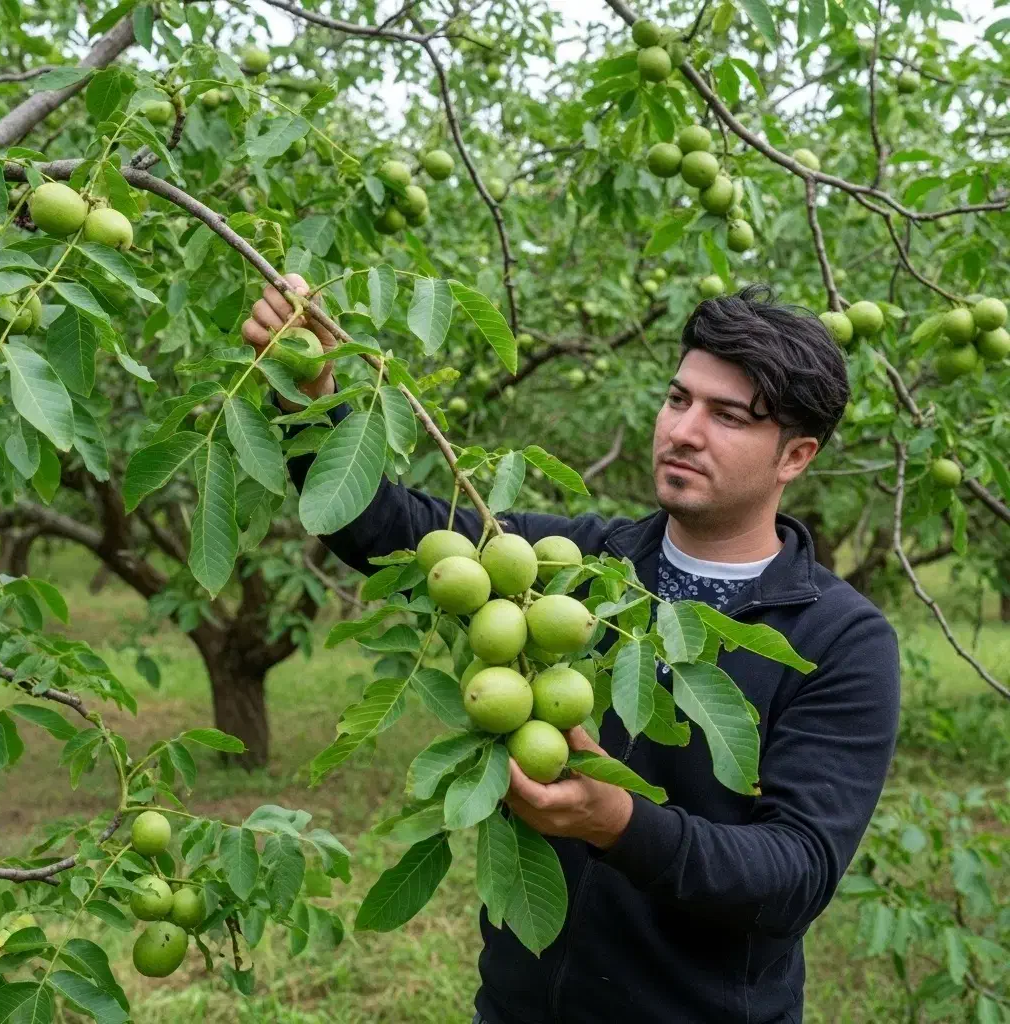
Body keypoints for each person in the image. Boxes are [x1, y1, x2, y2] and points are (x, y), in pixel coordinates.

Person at [242, 279, 900, 1024]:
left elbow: (795, 875)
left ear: (796, 455)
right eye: (678, 399)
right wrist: (315, 398)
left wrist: (619, 824)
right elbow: (380, 524)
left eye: (727, 416)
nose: (683, 431)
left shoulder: (841, 640)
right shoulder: (569, 565)